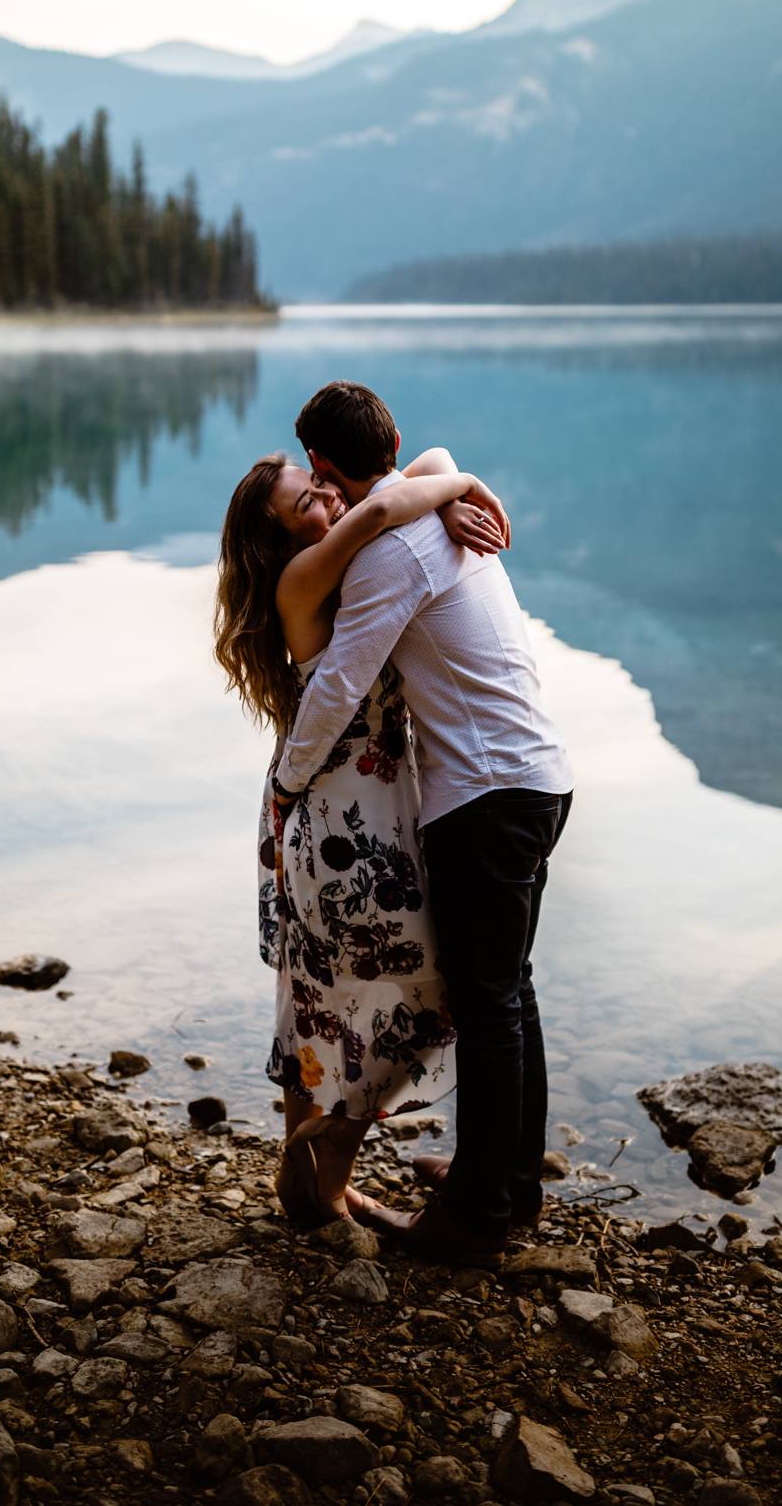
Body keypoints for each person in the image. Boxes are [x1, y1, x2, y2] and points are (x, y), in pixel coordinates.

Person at [272, 381, 573, 1264]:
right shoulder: (440, 512)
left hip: (485, 798)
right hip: (542, 776)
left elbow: (338, 685)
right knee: (509, 991)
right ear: (393, 439)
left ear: (326, 466)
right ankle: (506, 1180)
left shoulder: (390, 556)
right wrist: (457, 479)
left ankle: (477, 1218)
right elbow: (433, 466)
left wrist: (289, 784)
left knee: (490, 1003)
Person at [214, 446, 510, 1223]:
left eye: (320, 486)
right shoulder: (303, 577)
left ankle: (307, 1183)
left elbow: (421, 464)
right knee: (404, 999)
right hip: (343, 824)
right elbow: (384, 504)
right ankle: (323, 1180)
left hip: (351, 812)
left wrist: (443, 499)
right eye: (305, 502)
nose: (327, 501)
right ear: (275, 539)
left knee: (321, 998)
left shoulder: (341, 565)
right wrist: (467, 489)